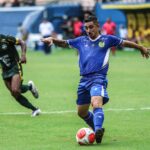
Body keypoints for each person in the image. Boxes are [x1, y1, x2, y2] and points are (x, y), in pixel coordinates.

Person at [41, 15, 150, 144]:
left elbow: (125, 42)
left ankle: (98, 130)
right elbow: (65, 43)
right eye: (86, 28)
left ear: (98, 26)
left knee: (96, 102)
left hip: (98, 78)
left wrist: (141, 48)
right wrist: (53, 39)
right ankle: (96, 128)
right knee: (81, 112)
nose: (88, 30)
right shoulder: (81, 40)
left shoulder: (107, 39)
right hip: (83, 81)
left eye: (91, 27)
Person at [0, 34, 41, 117]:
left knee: (15, 90)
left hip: (15, 66)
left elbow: (22, 42)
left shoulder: (6, 39)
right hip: (4, 70)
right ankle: (35, 108)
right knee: (14, 93)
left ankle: (35, 107)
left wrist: (23, 55)